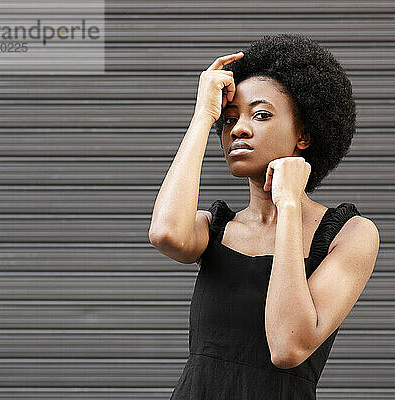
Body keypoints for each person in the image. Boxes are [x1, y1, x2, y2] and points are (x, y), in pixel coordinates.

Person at [149, 33, 380, 399]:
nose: (237, 128)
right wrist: (202, 116)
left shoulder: (350, 234)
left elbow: (288, 347)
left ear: (303, 134)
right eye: (227, 120)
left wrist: (288, 205)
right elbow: (165, 234)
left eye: (260, 114)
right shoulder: (216, 229)